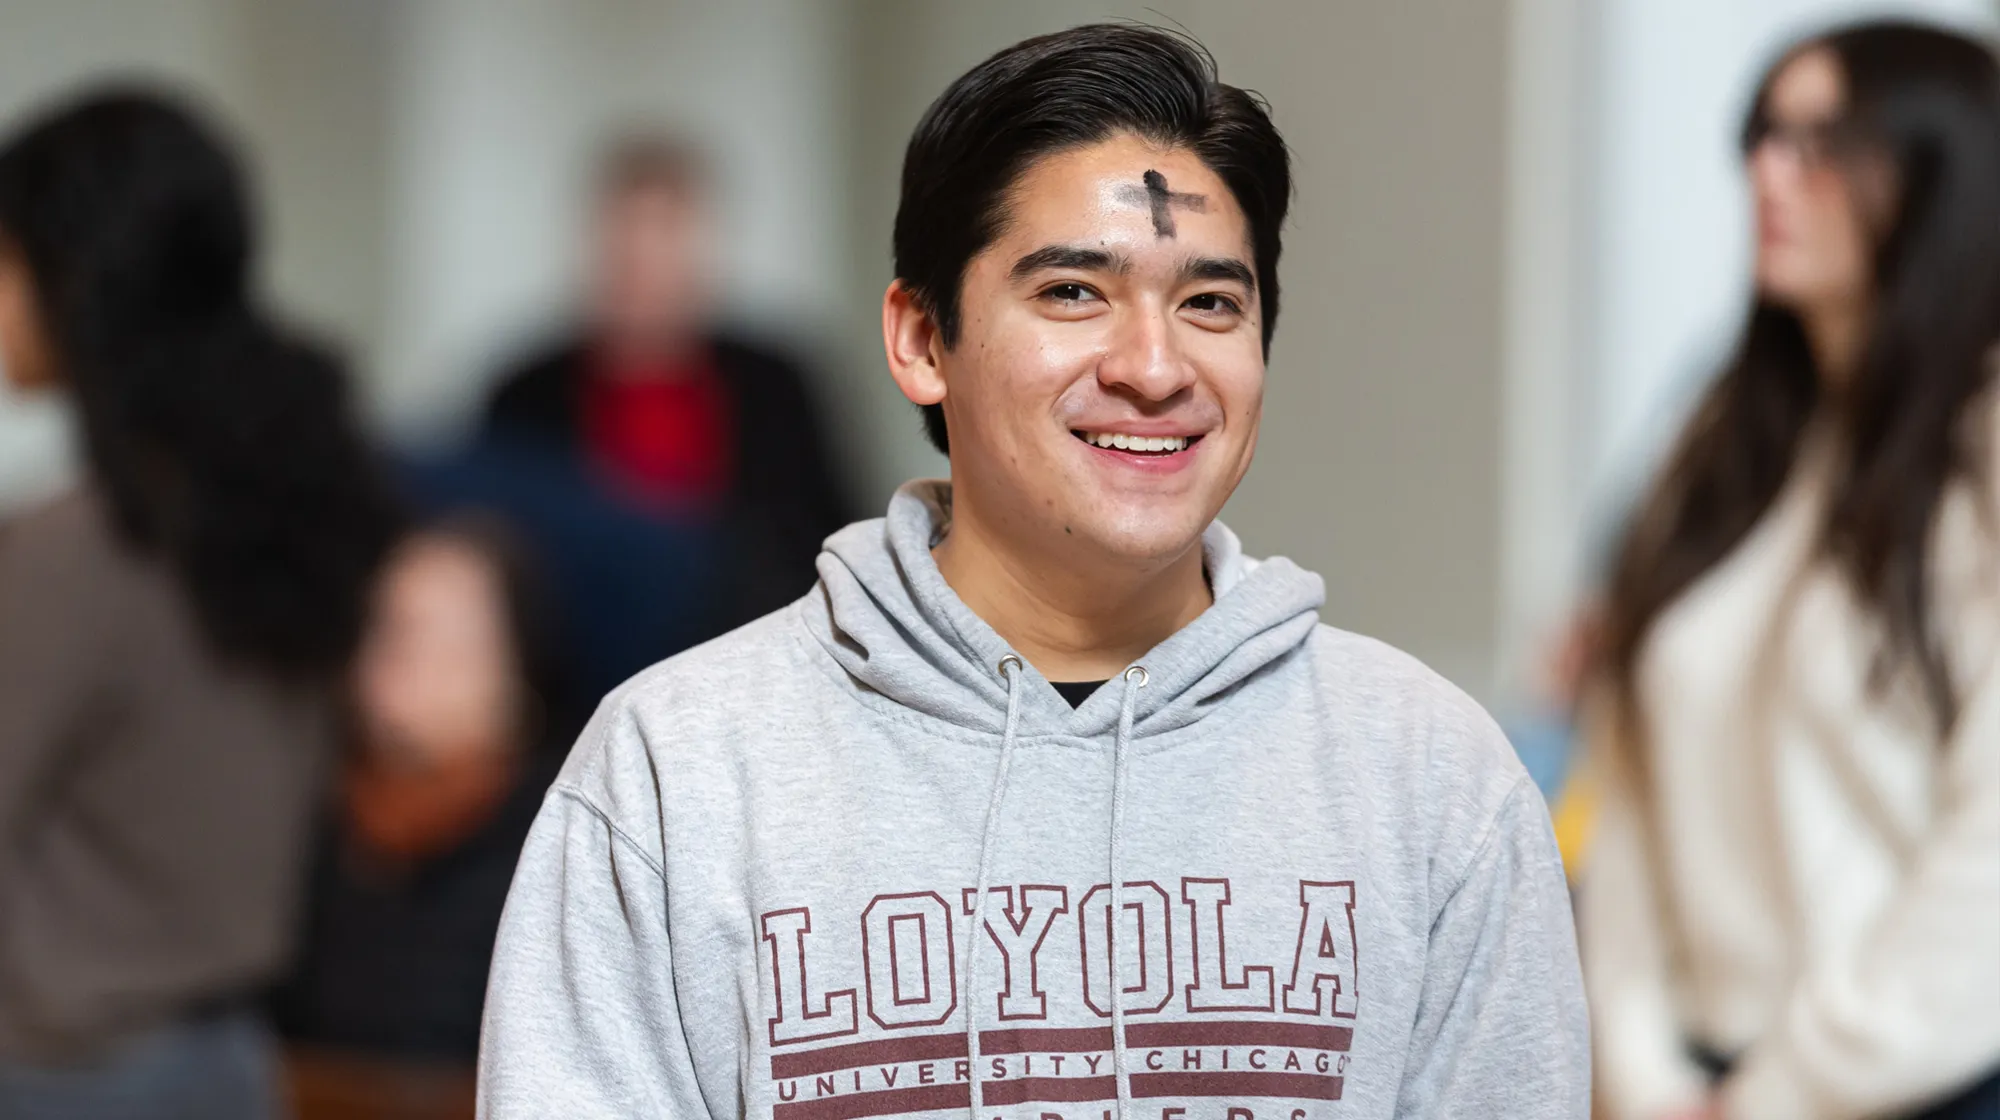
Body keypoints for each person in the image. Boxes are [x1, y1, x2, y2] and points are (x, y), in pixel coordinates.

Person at [478, 24, 1588, 1120]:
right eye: (1071, 292)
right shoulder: (677, 775)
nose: (1153, 368)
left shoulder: (1435, 785)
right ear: (920, 340)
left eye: (1210, 303)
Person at [1579, 21, 2000, 1120]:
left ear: (1940, 173)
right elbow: (1624, 786)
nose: (1767, 171)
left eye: (1824, 143)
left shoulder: (1979, 442)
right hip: (1703, 1084)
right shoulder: (1720, 441)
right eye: (1762, 135)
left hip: (1922, 1082)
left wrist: (1782, 1093)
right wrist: (1639, 1071)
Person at [0, 89, 400, 1118]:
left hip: (56, 1076)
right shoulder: (284, 508)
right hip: (231, 1061)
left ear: (72, 278)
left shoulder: (77, 550)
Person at [477, 133, 854, 701]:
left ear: (699, 249)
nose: (644, 268)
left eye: (663, 240)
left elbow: (833, 531)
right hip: (577, 673)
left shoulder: (776, 383)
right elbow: (497, 565)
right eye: (627, 243)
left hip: (750, 660)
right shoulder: (525, 390)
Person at [275, 519, 575, 1118]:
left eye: (443, 638)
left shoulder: (559, 838)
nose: (400, 656)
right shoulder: (312, 815)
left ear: (515, 673)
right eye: (387, 627)